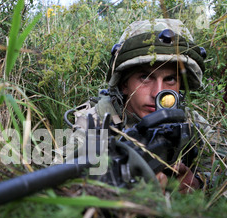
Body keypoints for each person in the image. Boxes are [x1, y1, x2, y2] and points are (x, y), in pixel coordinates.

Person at [70, 19, 211, 194]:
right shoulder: (95, 121)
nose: (158, 93)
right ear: (124, 85)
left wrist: (198, 182)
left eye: (170, 79)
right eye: (145, 77)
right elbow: (67, 180)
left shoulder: (192, 121)